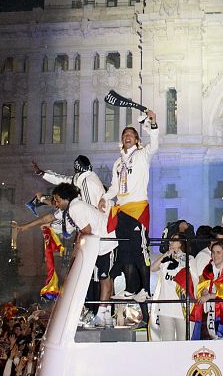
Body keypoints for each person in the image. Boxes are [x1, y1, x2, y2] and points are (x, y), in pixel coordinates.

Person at [100, 109, 159, 313]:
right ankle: (130, 288)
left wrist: (152, 122)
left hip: (138, 208)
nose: (127, 137)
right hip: (122, 210)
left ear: (137, 140)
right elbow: (115, 188)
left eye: (131, 135)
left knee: (140, 251)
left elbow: (155, 144)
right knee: (125, 252)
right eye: (125, 135)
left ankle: (145, 289)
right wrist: (104, 198)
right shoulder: (117, 163)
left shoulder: (142, 155)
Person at [50, 183, 118, 327]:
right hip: (98, 246)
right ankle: (105, 317)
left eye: (57, 200)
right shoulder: (74, 207)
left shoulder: (75, 208)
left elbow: (86, 230)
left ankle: (101, 315)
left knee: (105, 279)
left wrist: (77, 246)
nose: (56, 203)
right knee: (104, 279)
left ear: (65, 198)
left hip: (107, 244)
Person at [191, 241, 223, 339]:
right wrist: (204, 290)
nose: (215, 255)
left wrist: (210, 295)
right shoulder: (209, 268)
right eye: (213, 252)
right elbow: (202, 284)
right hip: (211, 309)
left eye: (218, 252)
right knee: (211, 338)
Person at [149, 234, 190, 341]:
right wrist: (166, 255)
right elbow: (152, 268)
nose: (170, 243)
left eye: (174, 241)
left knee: (183, 341)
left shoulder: (188, 258)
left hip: (182, 308)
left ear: (181, 243)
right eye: (170, 241)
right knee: (167, 342)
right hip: (165, 308)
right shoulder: (165, 260)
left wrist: (178, 258)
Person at [32, 155, 104, 209]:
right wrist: (42, 173)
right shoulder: (82, 178)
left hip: (98, 221)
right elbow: (61, 179)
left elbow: (91, 209)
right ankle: (42, 199)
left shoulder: (87, 182)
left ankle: (42, 199)